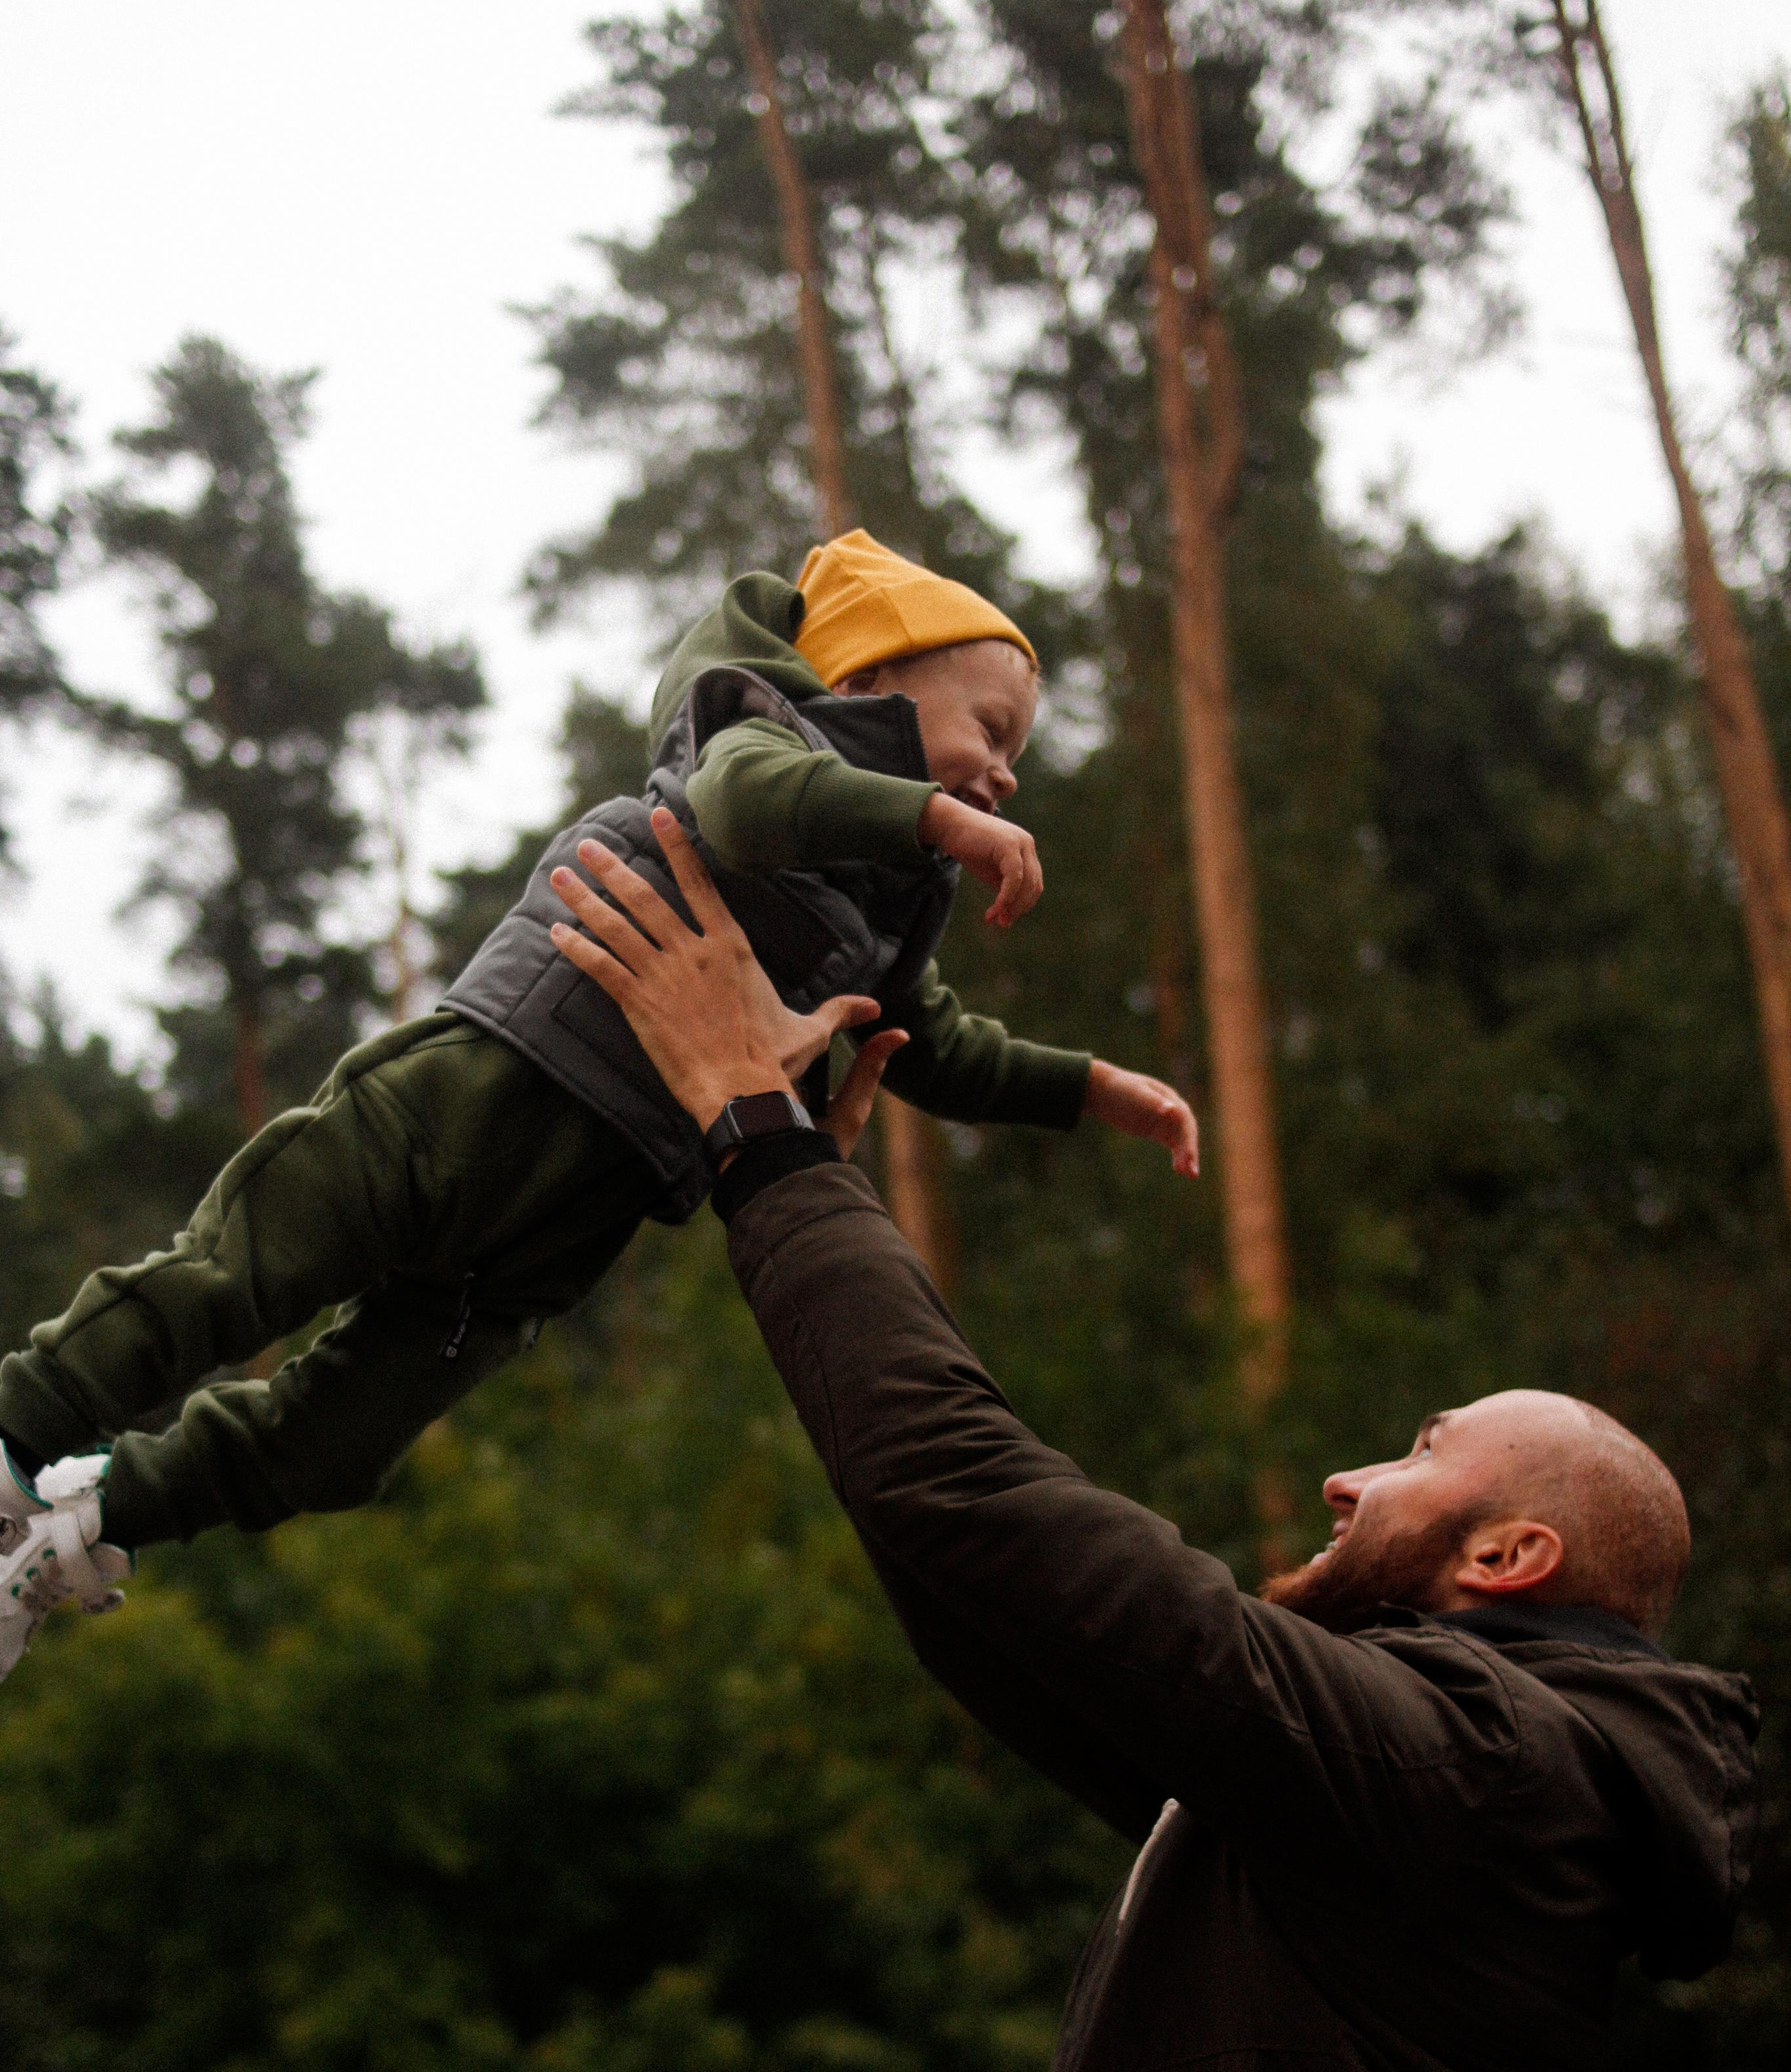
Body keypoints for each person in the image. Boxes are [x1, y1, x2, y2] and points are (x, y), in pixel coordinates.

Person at [545, 810, 1762, 2072]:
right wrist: (801, 1186)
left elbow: (990, 1517)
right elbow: (984, 1591)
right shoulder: (1380, 1795)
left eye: (1418, 1454)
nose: (1347, 1479)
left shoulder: (1478, 1765)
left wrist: (757, 1145)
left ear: (1507, 1563)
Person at [0, 531, 1196, 1672]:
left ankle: (81, 1525)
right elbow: (746, 804)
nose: (1005, 771)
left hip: (554, 1236)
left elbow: (938, 1048)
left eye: (1015, 755)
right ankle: (18, 1431)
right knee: (229, 1277)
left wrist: (1092, 1088)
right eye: (991, 728)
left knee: (341, 1444)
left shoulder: (884, 911)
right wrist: (935, 814)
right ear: (875, 675)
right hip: (466, 1103)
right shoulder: (757, 728)